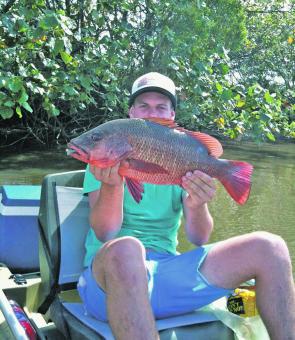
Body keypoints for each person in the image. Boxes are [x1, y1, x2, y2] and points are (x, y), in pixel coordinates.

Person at [78, 72, 295, 340]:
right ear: (131, 113)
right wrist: (113, 186)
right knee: (127, 247)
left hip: (166, 274)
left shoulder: (179, 154)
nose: (150, 112)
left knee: (271, 246)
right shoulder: (101, 159)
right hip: (107, 284)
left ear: (170, 117)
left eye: (160, 107)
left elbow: (198, 238)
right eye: (144, 105)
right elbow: (105, 233)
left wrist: (196, 205)